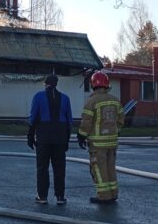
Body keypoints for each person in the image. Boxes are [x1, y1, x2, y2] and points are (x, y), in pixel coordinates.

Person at [77, 70, 125, 204]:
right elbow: (121, 119)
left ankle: (103, 196)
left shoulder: (91, 101)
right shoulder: (115, 101)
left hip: (97, 144)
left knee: (98, 169)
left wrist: (81, 135)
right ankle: (113, 193)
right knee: (110, 168)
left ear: (93, 84)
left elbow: (86, 122)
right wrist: (116, 130)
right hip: (112, 142)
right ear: (106, 84)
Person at [27, 74, 73, 205]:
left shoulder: (38, 96)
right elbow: (69, 121)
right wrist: (67, 139)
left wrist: (30, 136)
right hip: (60, 137)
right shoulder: (65, 98)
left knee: (42, 167)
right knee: (59, 168)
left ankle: (42, 197)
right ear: (56, 84)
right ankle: (60, 197)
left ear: (46, 84)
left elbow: (33, 117)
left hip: (44, 136)